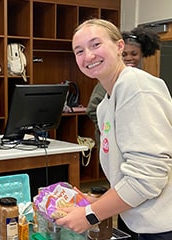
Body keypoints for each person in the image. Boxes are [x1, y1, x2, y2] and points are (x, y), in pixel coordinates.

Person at [56, 19, 172, 240]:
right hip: (144, 222)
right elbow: (127, 173)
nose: (88, 56)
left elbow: (147, 177)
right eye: (79, 51)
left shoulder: (136, 86)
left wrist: (90, 214)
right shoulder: (106, 104)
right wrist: (100, 202)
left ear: (119, 46)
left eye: (96, 44)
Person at [85, 26, 161, 147]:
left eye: (134, 54)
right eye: (124, 54)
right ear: (118, 52)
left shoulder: (144, 79)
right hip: (112, 141)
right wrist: (112, 124)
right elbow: (92, 108)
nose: (129, 58)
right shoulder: (111, 79)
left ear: (141, 54)